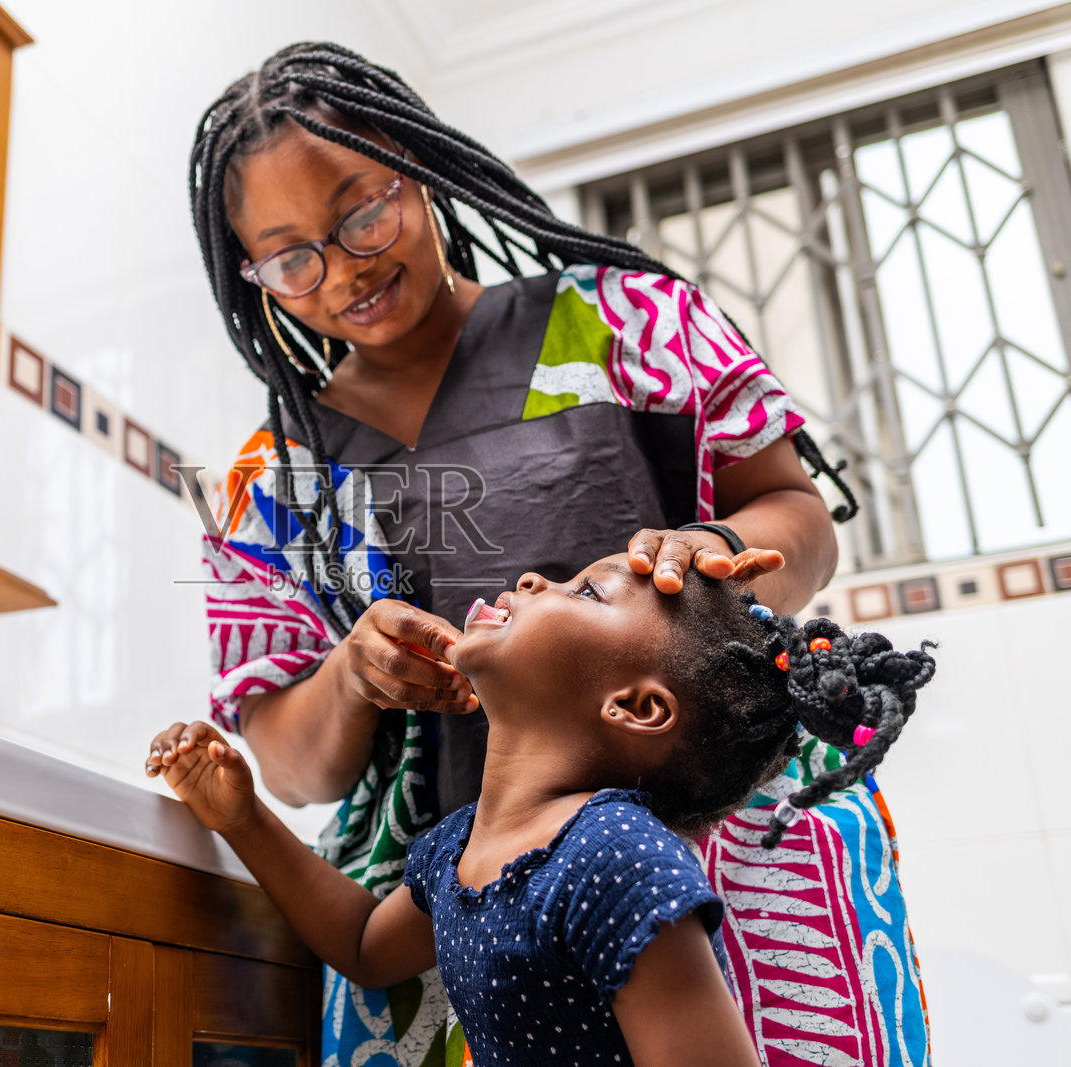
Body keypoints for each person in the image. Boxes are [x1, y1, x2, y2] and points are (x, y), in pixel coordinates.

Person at [190, 41, 925, 1067]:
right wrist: (354, 674)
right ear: (250, 273)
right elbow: (291, 758)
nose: (345, 266)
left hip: (733, 854)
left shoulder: (618, 321)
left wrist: (711, 543)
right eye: (291, 255)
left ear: (418, 167)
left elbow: (795, 513)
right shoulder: (277, 477)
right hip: (468, 900)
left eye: (364, 210)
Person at [154, 557, 936, 1066]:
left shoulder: (615, 855)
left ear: (634, 706)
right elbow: (362, 943)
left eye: (584, 591)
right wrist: (244, 814)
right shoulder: (460, 846)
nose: (532, 579)